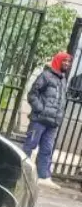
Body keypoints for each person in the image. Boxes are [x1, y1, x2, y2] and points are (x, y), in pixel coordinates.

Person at [24, 51, 70, 184]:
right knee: (30, 145)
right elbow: (32, 94)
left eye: (68, 62)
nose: (67, 64)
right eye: (64, 61)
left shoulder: (63, 80)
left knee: (47, 149)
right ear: (58, 61)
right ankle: (23, 173)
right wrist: (40, 109)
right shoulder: (46, 76)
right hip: (39, 120)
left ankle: (43, 177)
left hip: (53, 123)